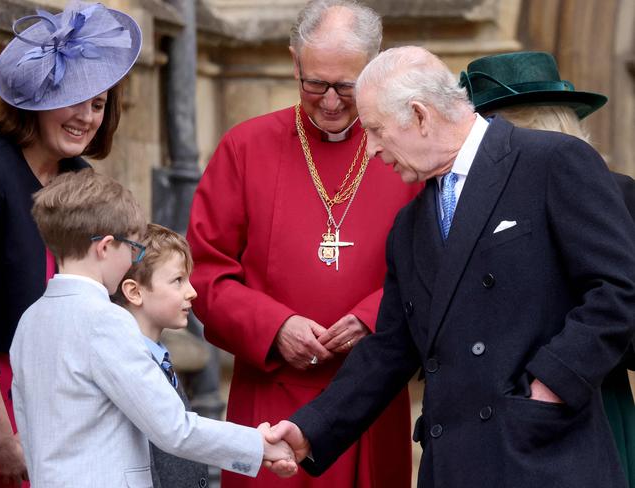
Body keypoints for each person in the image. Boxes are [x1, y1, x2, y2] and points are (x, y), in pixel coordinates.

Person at [268, 46, 635, 488]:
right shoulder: (409, 225)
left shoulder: (552, 161)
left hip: (544, 456)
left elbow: (619, 287)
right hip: (453, 466)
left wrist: (551, 384)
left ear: (420, 116)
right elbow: (389, 349)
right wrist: (311, 429)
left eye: (376, 130)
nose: (371, 151)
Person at [186, 1, 417, 486]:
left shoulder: (408, 152)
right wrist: (276, 327)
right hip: (272, 397)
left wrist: (374, 316)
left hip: (371, 392)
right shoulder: (245, 147)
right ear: (295, 62)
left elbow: (437, 263)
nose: (330, 101)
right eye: (315, 83)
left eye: (346, 86)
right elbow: (205, 274)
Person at [9, 169, 297, 486]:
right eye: (133, 248)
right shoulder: (106, 320)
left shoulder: (30, 320)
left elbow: (28, 428)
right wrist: (258, 445)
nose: (135, 256)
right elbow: (173, 428)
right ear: (105, 247)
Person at [459, 50, 635, 486]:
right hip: (486, 409)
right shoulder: (457, 204)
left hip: (588, 401)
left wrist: (555, 377)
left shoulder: (618, 193)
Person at [0, 2, 141, 486]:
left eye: (98, 104)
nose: (87, 117)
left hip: (63, 399)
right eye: (74, 99)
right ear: (35, 96)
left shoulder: (80, 178)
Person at [111, 223, 210, 488]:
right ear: (134, 292)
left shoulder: (160, 358)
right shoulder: (128, 363)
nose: (192, 292)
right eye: (178, 280)